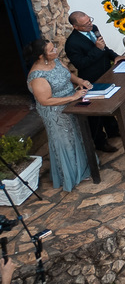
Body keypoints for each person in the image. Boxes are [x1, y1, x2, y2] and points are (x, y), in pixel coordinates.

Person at [25, 37, 91, 192]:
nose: (55, 50)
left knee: (78, 135)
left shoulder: (56, 61)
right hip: (55, 111)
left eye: (53, 47)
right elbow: (45, 101)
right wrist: (73, 97)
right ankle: (71, 175)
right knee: (65, 141)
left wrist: (80, 81)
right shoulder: (37, 77)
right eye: (51, 50)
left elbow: (67, 74)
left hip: (71, 105)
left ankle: (85, 166)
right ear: (41, 56)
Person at [64, 10, 125, 152]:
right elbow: (81, 63)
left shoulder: (95, 28)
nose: (90, 25)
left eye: (90, 21)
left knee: (109, 103)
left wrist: (115, 56)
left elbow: (104, 48)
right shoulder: (72, 44)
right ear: (76, 27)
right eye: (86, 25)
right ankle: (100, 141)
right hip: (92, 78)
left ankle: (113, 130)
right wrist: (97, 50)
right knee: (96, 113)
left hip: (106, 72)